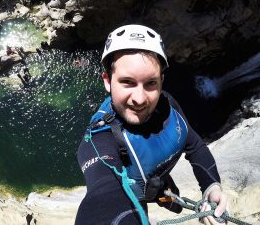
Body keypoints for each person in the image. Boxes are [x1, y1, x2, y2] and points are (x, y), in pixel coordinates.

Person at [75, 24, 228, 225]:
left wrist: (211, 186)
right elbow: (103, 196)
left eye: (150, 83)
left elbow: (195, 146)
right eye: (127, 82)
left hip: (158, 184)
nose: (139, 99)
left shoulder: (167, 105)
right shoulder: (99, 139)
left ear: (161, 81)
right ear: (107, 80)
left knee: (170, 202)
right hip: (135, 197)